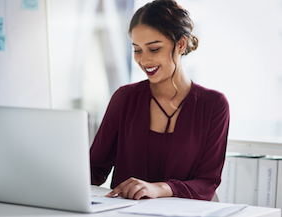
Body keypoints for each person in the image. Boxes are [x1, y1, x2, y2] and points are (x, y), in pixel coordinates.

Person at [90, 0, 229, 201]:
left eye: (154, 49)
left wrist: (160, 189)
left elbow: (207, 182)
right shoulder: (125, 98)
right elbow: (94, 169)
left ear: (180, 44)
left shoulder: (214, 105)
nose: (144, 60)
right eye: (137, 50)